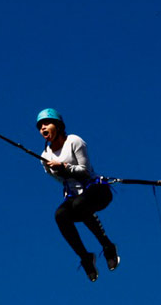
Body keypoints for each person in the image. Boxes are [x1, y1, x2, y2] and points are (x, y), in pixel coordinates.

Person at [37, 108, 119, 282]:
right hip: (77, 198)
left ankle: (107, 246)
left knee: (79, 205)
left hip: (98, 191)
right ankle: (86, 257)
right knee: (60, 215)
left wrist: (64, 167)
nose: (43, 128)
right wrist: (60, 171)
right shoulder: (45, 156)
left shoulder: (74, 141)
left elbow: (86, 172)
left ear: (58, 126)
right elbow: (61, 180)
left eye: (47, 124)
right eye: (40, 126)